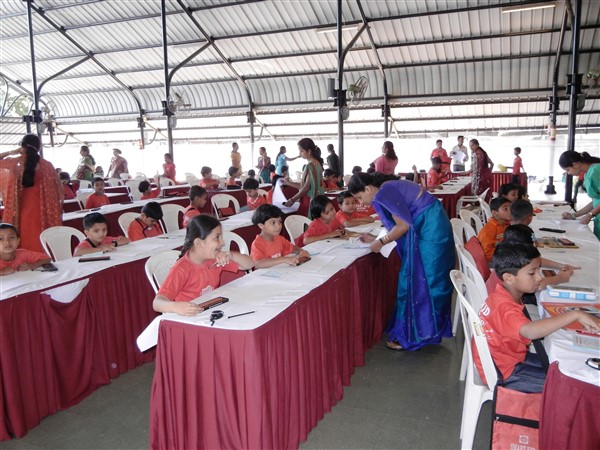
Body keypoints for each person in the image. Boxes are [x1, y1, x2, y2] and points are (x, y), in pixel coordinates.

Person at [348, 173, 454, 351]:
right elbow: (400, 223)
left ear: (367, 189)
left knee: (425, 280)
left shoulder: (383, 193)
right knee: (423, 279)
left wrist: (380, 243)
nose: (362, 203)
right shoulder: (387, 187)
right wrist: (377, 237)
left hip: (430, 229)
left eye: (359, 197)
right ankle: (424, 330)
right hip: (430, 222)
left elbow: (403, 226)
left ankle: (418, 335)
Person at [477, 243, 600, 393]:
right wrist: (575, 314)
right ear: (509, 278)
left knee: (566, 370)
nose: (539, 277)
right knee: (571, 388)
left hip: (507, 359)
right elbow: (529, 331)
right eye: (532, 273)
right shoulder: (503, 306)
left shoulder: (502, 295)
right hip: (504, 372)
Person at [152, 215, 254, 314]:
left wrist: (231, 255)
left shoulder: (214, 259)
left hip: (209, 310)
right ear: (199, 243)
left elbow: (249, 264)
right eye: (217, 237)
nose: (222, 242)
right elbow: (157, 303)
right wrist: (176, 307)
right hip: (190, 318)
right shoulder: (181, 269)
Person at [0, 134, 63, 253]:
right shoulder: (47, 165)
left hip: (21, 210)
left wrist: (12, 151)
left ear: (23, 147)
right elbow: (58, 191)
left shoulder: (16, 163)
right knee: (40, 241)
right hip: (43, 211)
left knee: (24, 240)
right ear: (38, 148)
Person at [485, 225, 577, 294]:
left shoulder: (509, 256)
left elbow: (533, 261)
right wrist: (560, 278)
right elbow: (540, 285)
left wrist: (560, 265)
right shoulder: (511, 270)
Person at [559, 150, 600, 239]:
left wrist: (590, 215)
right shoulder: (587, 173)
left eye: (568, 170)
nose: (569, 173)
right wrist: (574, 215)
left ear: (575, 165)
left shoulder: (595, 170)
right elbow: (595, 201)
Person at [282, 138, 325, 217]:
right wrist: (289, 183)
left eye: (302, 151)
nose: (300, 153)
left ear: (309, 151)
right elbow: (306, 186)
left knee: (307, 224)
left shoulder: (310, 166)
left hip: (310, 200)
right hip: (319, 199)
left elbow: (306, 188)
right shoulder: (317, 163)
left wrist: (292, 200)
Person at [478, 197, 511, 262]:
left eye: (511, 208)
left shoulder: (506, 225)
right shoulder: (488, 230)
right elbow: (487, 254)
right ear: (495, 213)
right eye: (505, 209)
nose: (510, 211)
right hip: (492, 262)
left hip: (502, 255)